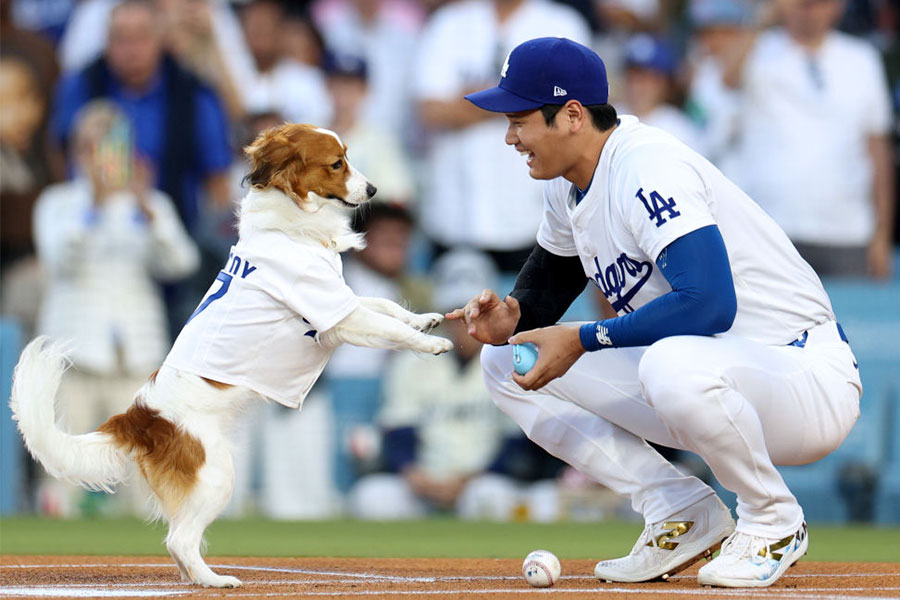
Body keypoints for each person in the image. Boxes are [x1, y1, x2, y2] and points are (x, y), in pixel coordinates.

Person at [450, 37, 861, 588]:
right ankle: (678, 510)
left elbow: (709, 303)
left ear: (572, 115)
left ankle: (773, 519)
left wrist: (584, 337)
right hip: (715, 376)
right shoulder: (568, 187)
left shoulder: (645, 167)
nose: (509, 135)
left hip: (802, 374)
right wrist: (511, 320)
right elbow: (549, 287)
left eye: (520, 117)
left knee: (670, 365)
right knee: (509, 363)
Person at [33, 99, 199, 516]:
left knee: (143, 477)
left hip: (135, 357)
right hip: (75, 356)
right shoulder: (58, 203)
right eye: (93, 148)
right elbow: (59, 260)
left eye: (112, 147)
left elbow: (181, 263)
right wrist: (94, 206)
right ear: (77, 154)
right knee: (62, 466)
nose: (102, 157)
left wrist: (145, 207)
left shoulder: (149, 204)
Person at [411, 0, 591, 274]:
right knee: (453, 314)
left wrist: (474, 99)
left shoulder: (562, 24)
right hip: (454, 216)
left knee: (530, 313)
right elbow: (430, 110)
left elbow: (571, 112)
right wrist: (522, 100)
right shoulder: (448, 23)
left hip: (532, 218)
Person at [722, 0, 894, 278]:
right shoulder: (759, 48)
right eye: (801, 2)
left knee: (850, 321)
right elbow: (726, 78)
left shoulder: (862, 58)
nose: (810, 8)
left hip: (847, 231)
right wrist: (763, 18)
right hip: (769, 229)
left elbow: (877, 151)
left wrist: (882, 234)